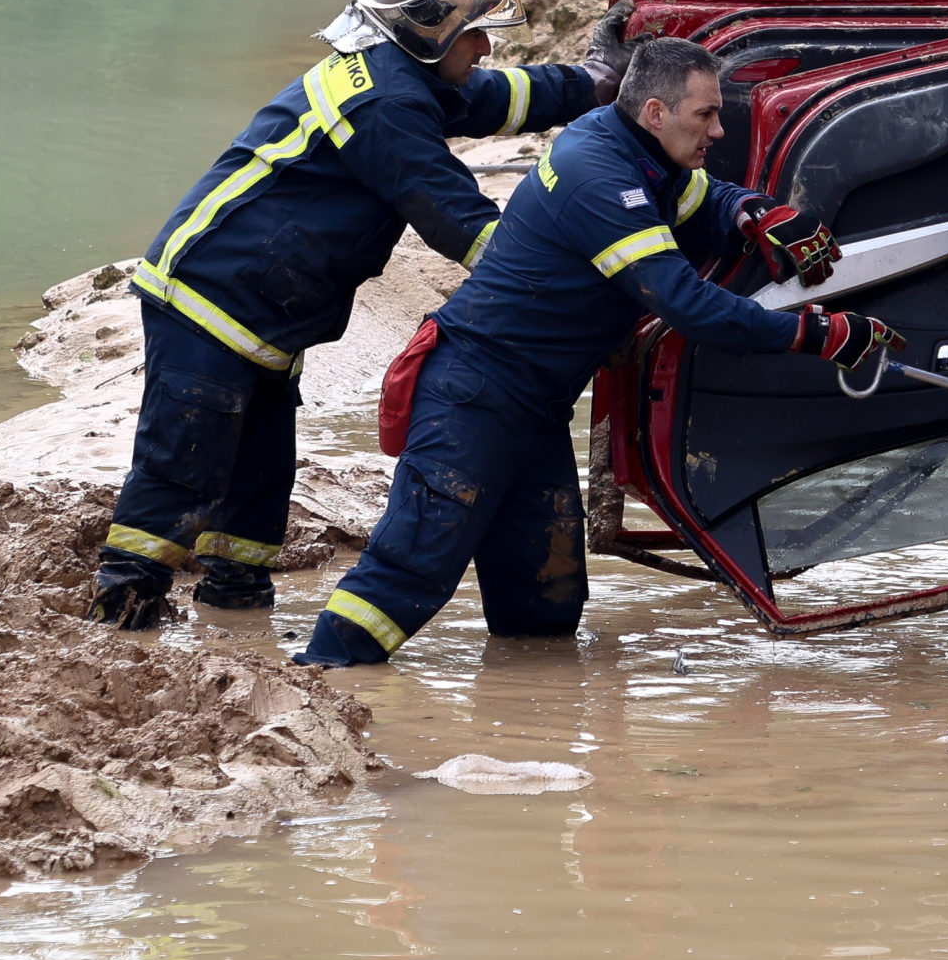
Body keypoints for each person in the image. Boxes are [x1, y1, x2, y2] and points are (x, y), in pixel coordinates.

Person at [295, 34, 903, 667]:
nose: (720, 130)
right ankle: (318, 687)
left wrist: (754, 212)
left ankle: (524, 727)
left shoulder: (639, 154)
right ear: (657, 113)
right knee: (407, 575)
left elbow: (703, 203)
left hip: (532, 406)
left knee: (546, 604)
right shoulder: (598, 174)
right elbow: (687, 304)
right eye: (708, 115)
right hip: (474, 397)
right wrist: (819, 334)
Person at [84, 0, 633, 628]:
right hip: (211, 297)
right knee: (181, 467)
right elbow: (462, 223)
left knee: (259, 481)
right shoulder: (387, 105)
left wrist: (591, 83)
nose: (486, 49)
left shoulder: (401, 72)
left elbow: (497, 98)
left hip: (260, 308)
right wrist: (581, 293)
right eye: (477, 34)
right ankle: (121, 610)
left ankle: (235, 615)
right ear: (434, 31)